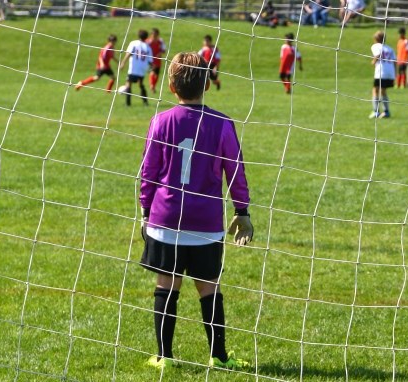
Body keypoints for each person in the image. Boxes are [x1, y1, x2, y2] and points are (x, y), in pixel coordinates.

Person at [139, 51, 254, 371]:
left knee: (166, 285)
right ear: (207, 84)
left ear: (172, 87)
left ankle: (164, 357)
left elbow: (148, 172)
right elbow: (236, 169)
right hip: (206, 223)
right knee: (209, 288)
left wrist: (146, 211)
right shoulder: (222, 123)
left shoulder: (160, 121)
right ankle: (218, 355)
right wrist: (241, 210)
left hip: (165, 219)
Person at [118, 29, 152, 106]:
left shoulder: (134, 43)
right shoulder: (148, 47)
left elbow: (128, 54)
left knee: (128, 84)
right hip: (142, 69)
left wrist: (123, 63)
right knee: (141, 85)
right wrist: (150, 68)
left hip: (133, 68)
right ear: (146, 37)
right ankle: (145, 102)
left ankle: (128, 103)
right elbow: (150, 60)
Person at [370, 30, 395, 118]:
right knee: (383, 91)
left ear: (376, 39)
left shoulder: (376, 46)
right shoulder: (390, 48)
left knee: (375, 90)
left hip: (381, 71)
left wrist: (373, 62)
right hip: (390, 72)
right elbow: (394, 61)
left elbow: (378, 55)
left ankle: (376, 111)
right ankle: (386, 112)